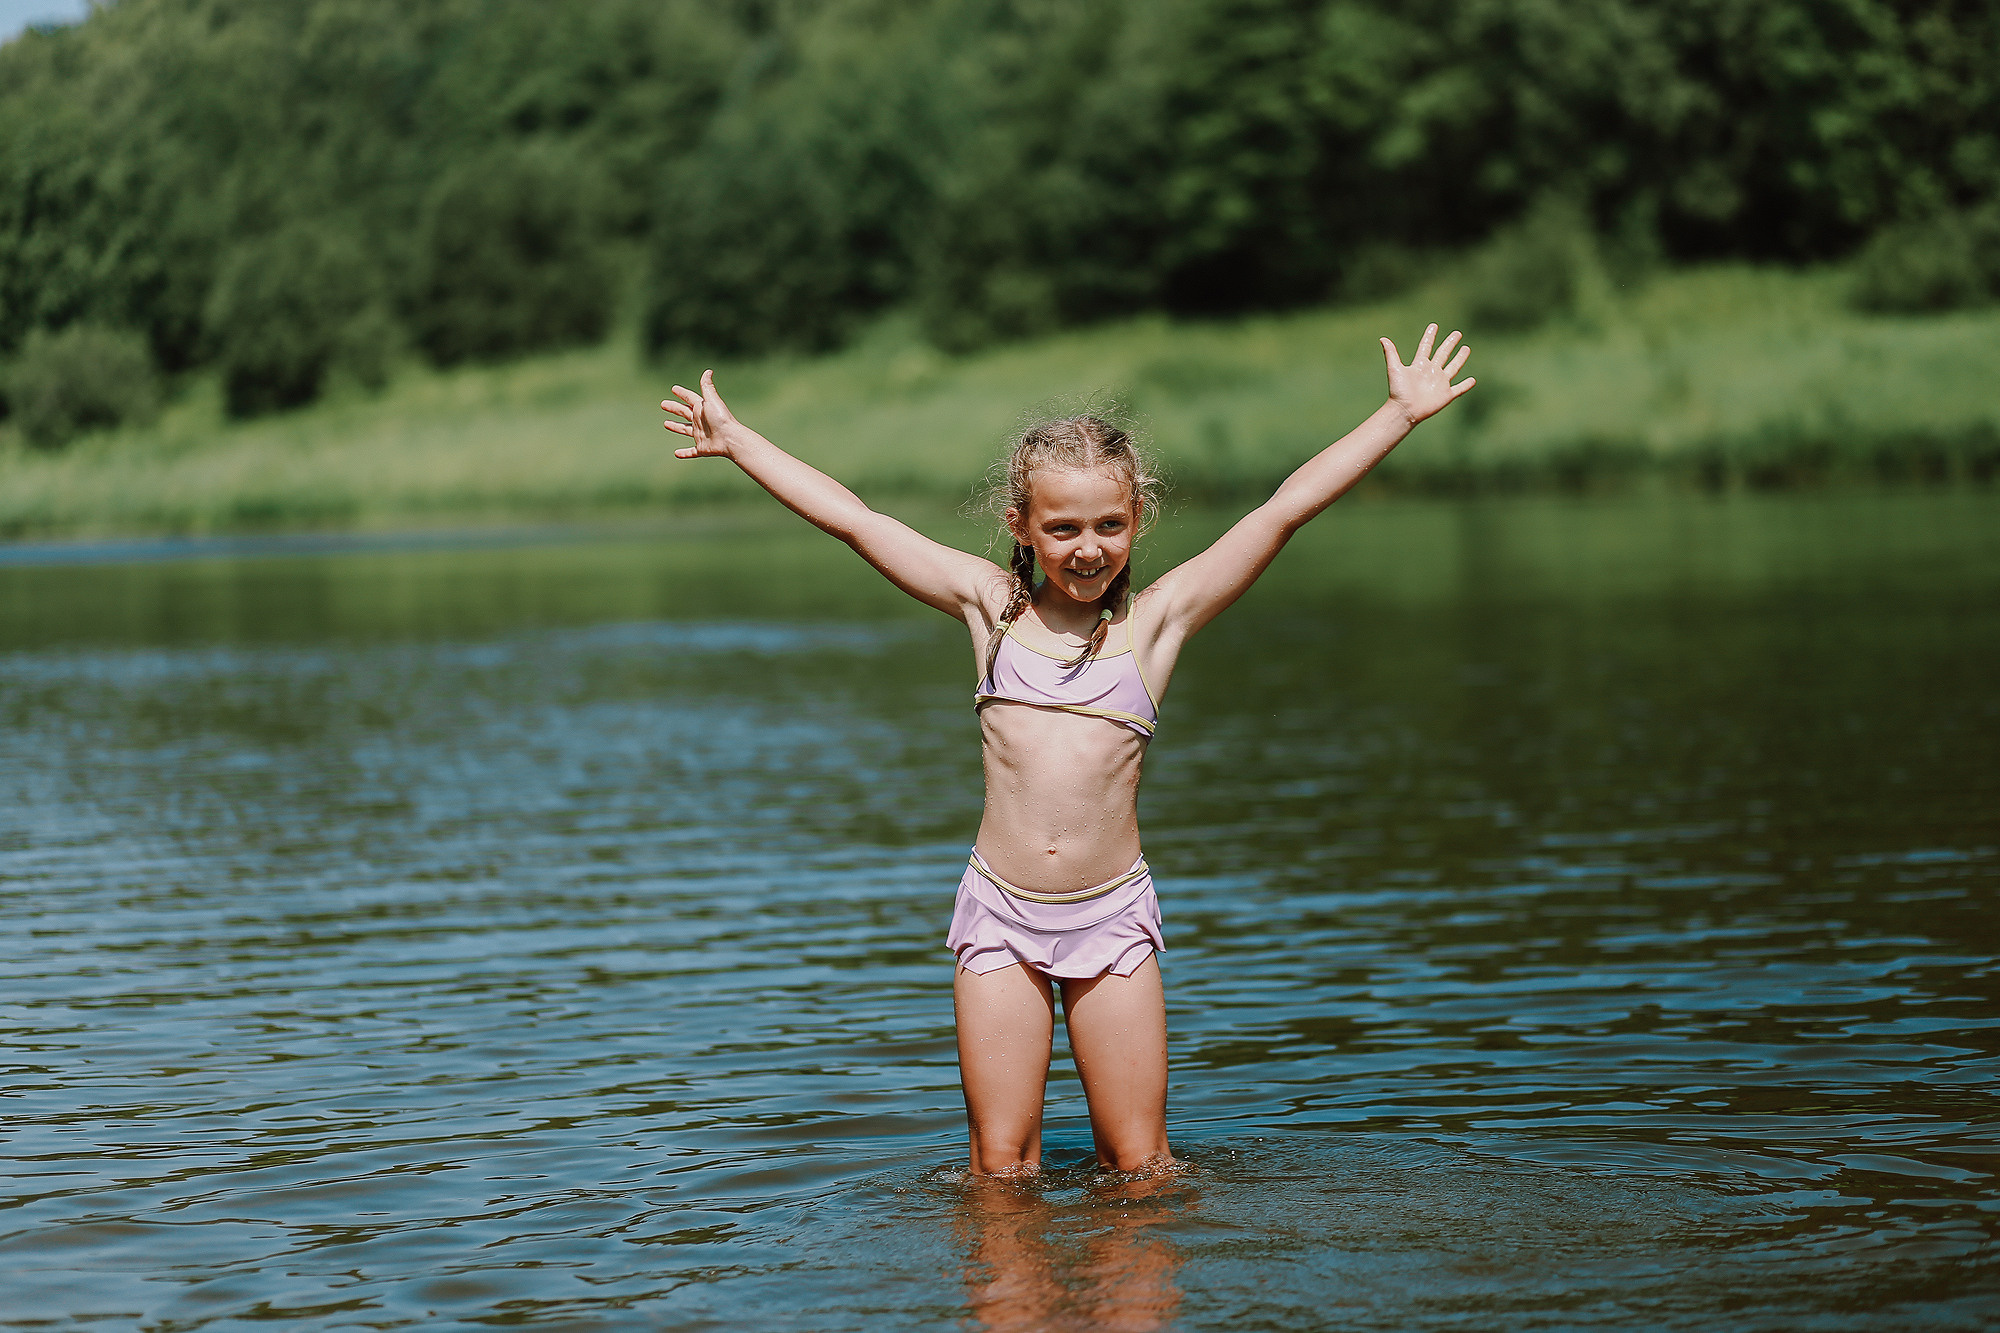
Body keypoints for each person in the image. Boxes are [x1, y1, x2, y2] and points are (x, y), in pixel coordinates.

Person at [662, 325, 1473, 1177]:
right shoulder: (988, 609)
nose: (1088, 548)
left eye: (1109, 524)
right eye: (1063, 528)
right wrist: (739, 441)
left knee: (1141, 1165)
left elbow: (1282, 510)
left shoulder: (1155, 623)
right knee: (1000, 1167)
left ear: (1137, 520)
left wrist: (1398, 417)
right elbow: (856, 521)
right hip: (1001, 916)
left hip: (1111, 917)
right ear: (1021, 525)